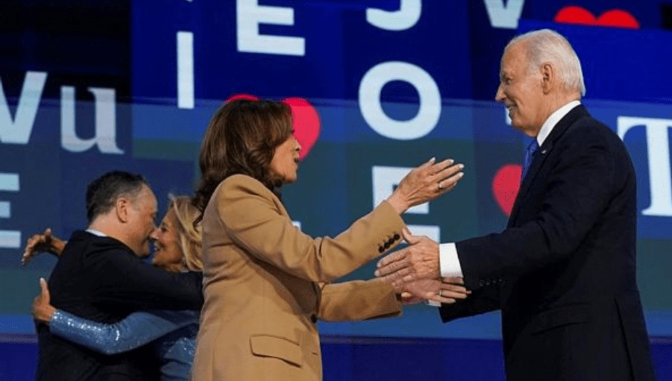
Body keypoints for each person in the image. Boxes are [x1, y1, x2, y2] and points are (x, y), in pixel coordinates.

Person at [375, 29, 656, 381]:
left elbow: (552, 237)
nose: (498, 95)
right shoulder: (555, 150)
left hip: (589, 360)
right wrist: (440, 289)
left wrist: (443, 258)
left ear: (547, 76)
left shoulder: (589, 143)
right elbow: (531, 269)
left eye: (507, 80)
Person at [189, 98, 466, 381]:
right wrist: (400, 199)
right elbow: (318, 260)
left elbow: (319, 299)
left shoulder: (251, 201)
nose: (297, 146)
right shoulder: (238, 191)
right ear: (257, 142)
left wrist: (400, 291)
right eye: (288, 135)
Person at [34, 171, 204, 381]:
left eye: (163, 228)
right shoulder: (103, 261)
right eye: (153, 219)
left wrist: (52, 317)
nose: (154, 234)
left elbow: (114, 338)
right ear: (122, 210)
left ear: (186, 240)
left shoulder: (181, 300)